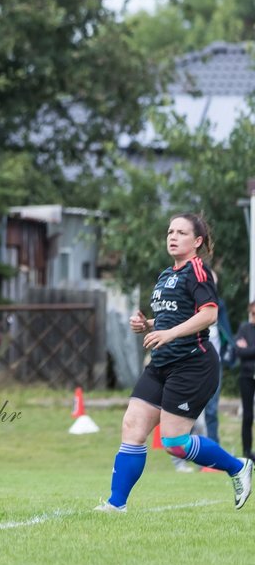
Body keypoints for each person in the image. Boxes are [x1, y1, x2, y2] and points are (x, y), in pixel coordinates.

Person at [96, 213, 253, 513]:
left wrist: (167, 333)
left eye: (181, 232)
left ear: (197, 242)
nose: (173, 236)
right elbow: (176, 316)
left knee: (175, 443)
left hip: (193, 364)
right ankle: (116, 505)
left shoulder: (198, 270)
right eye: (170, 231)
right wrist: (149, 324)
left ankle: (238, 466)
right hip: (162, 364)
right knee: (132, 426)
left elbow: (209, 314)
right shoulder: (166, 275)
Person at [236, 302, 255, 460]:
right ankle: (247, 452)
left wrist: (248, 349)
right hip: (247, 376)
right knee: (247, 416)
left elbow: (245, 351)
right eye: (253, 314)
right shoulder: (245, 328)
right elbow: (239, 351)